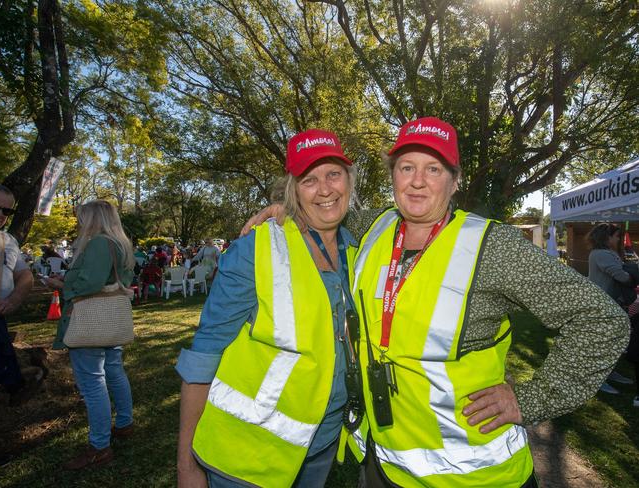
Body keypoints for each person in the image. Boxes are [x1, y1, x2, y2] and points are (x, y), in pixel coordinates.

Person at [244, 117, 630, 487]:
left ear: (455, 180)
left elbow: (602, 320)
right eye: (406, 167)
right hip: (384, 465)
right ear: (392, 174)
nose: (416, 182)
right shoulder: (374, 228)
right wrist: (288, 210)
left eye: (433, 169)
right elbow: (326, 208)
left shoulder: (493, 247)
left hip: (475, 476)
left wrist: (532, 398)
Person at [176, 129, 359, 487]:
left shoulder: (359, 251)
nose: (324, 189)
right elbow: (204, 353)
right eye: (309, 180)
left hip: (319, 446)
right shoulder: (255, 250)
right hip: (248, 456)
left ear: (349, 181)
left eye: (333, 174)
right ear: (292, 189)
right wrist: (186, 466)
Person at [46, 200, 135, 470]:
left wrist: (63, 285)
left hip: (90, 317)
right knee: (114, 370)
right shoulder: (121, 243)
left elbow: (91, 282)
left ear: (93, 219)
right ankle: (124, 423)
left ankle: (99, 445)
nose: (79, 222)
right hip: (113, 316)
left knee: (92, 383)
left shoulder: (98, 242)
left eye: (82, 218)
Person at [0, 183, 37, 406]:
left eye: (6, 211)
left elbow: (25, 276)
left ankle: (12, 388)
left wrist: (14, 299)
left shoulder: (7, 241)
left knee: (1, 358)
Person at [587, 223, 639, 399]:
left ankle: (610, 372)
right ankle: (598, 380)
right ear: (606, 237)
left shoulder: (605, 253)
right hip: (602, 306)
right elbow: (622, 277)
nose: (618, 239)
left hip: (609, 304)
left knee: (612, 342)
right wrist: (634, 276)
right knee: (602, 343)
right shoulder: (602, 254)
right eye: (616, 236)